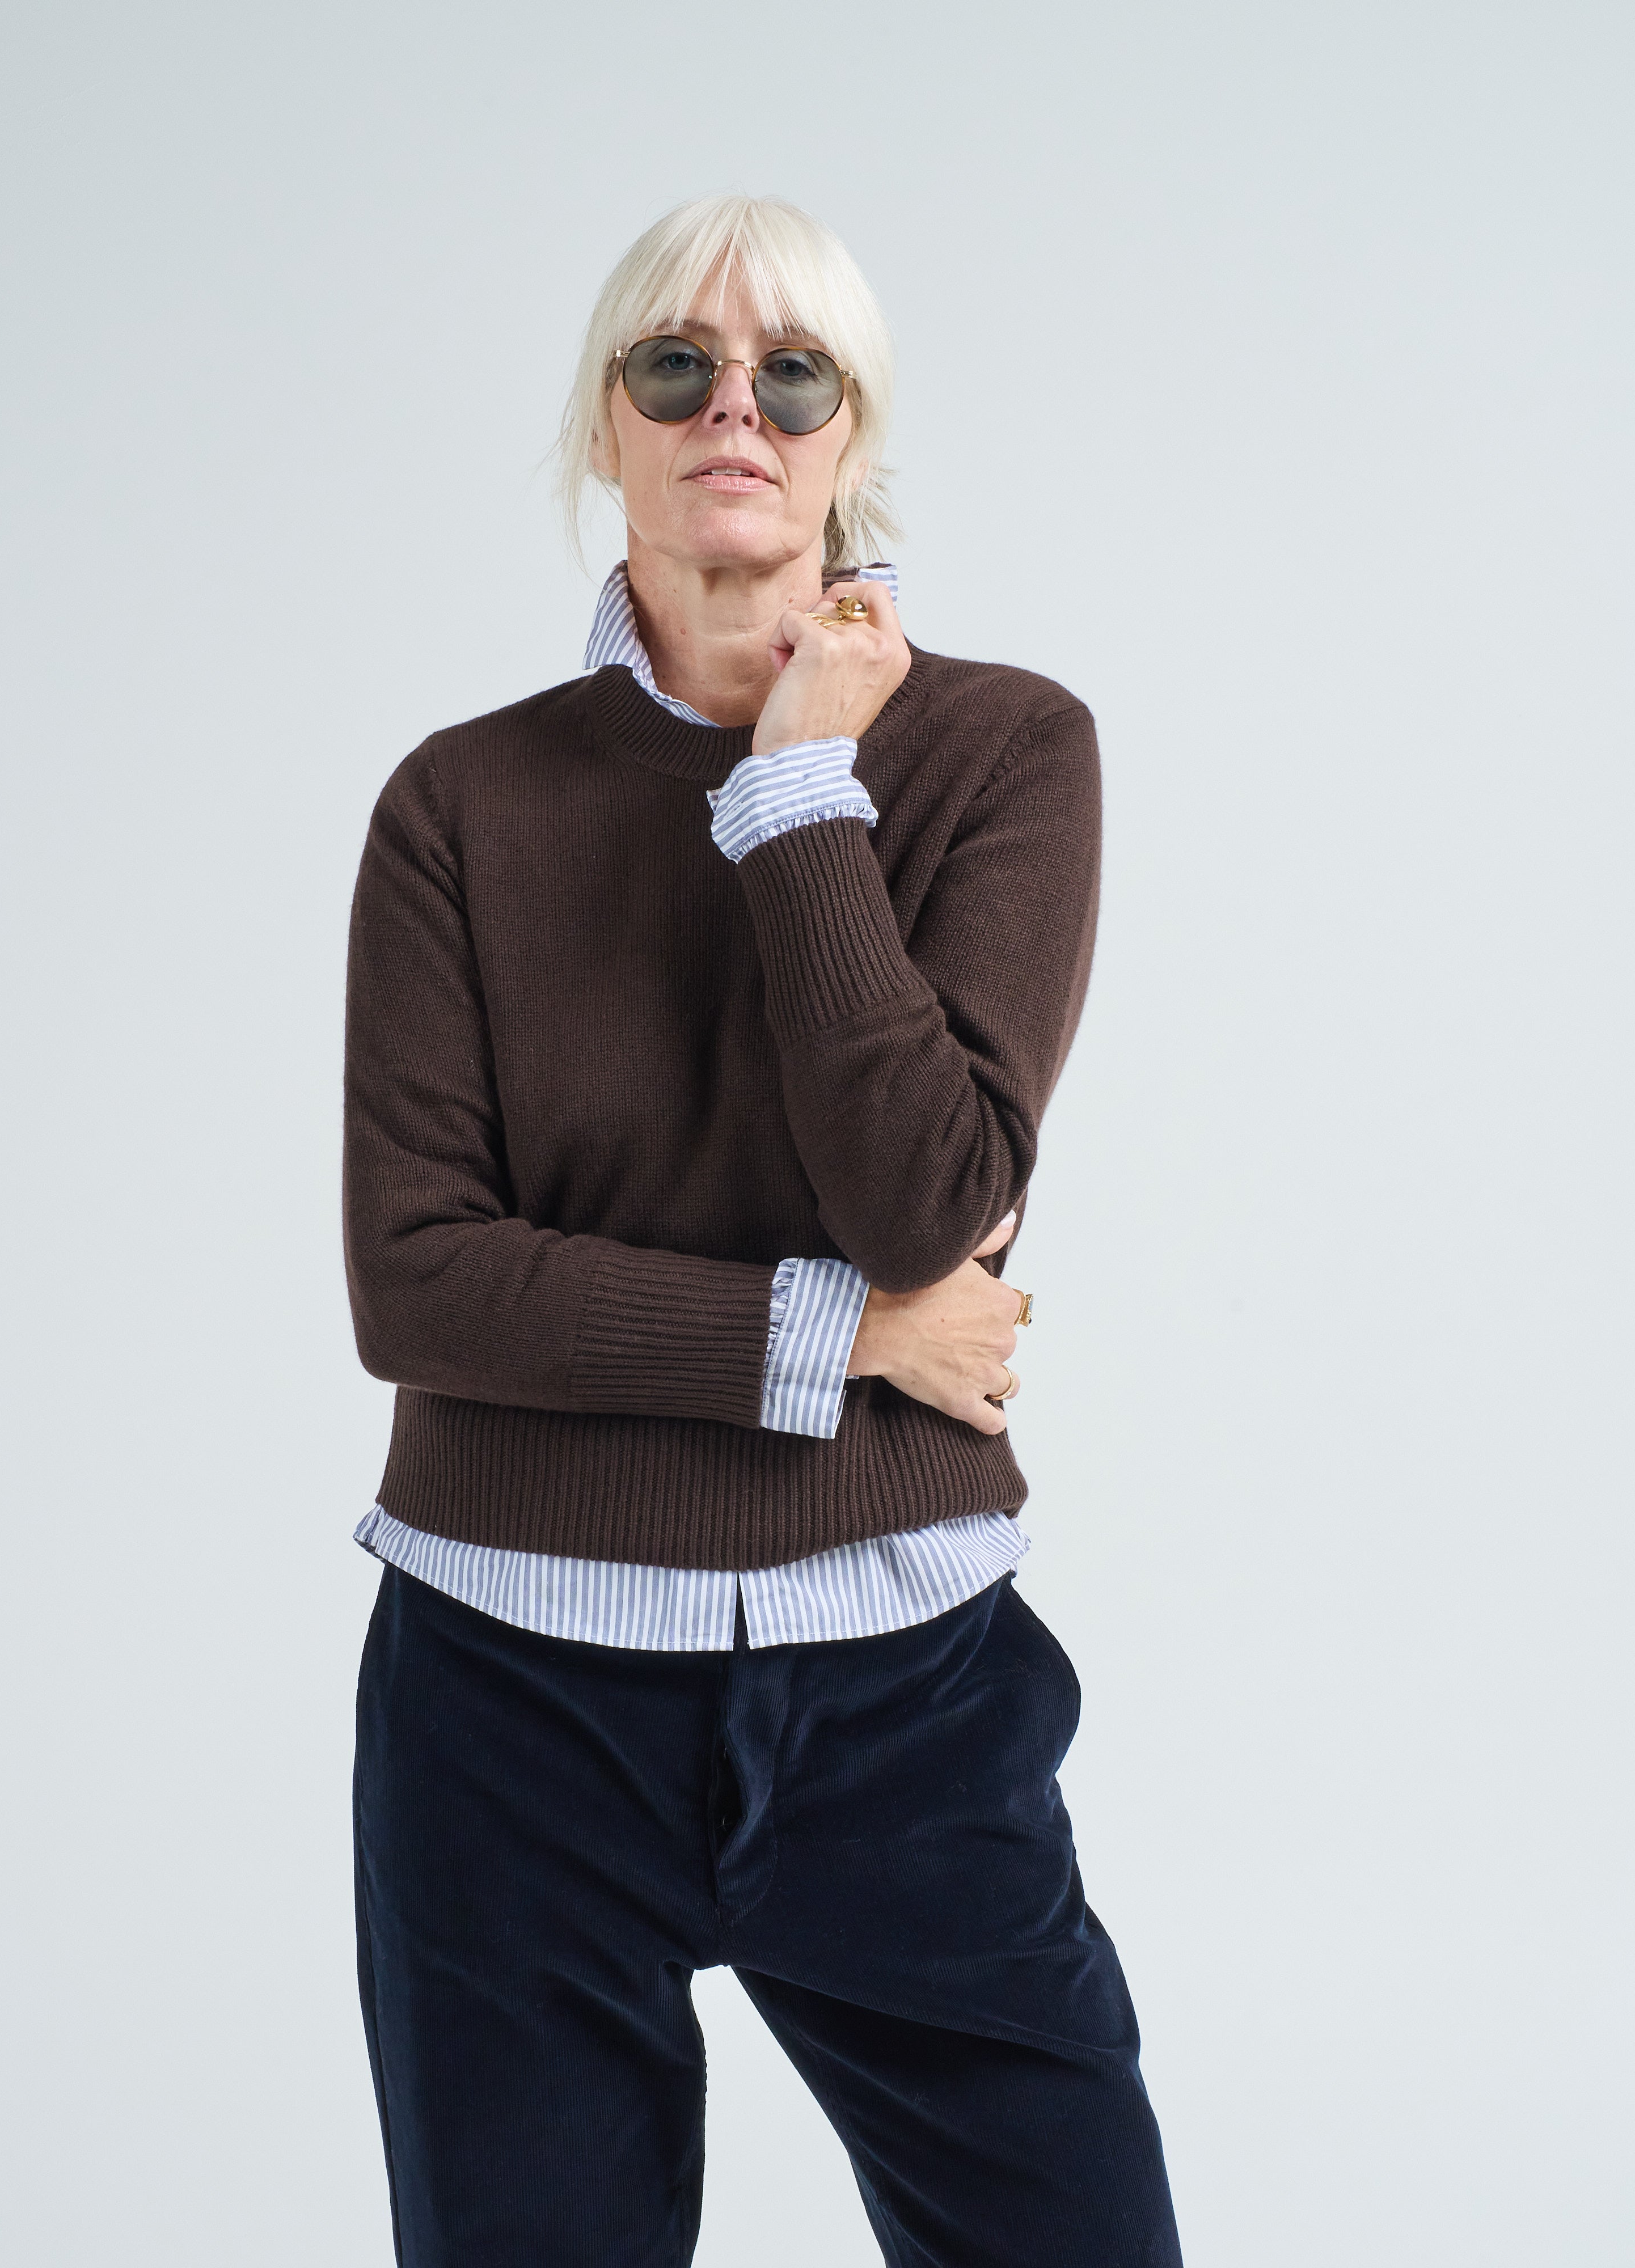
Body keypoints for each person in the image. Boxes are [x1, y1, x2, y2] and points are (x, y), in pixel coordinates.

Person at [343, 192, 1181, 2267]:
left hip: (902, 1703)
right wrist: (852, 1338)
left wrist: (804, 788)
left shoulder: (1004, 753)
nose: (736, 405)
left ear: (848, 434)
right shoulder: (458, 807)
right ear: (604, 428)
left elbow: (927, 1193)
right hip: (507, 1711)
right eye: (676, 367)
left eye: (792, 373)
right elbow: (420, 1285)